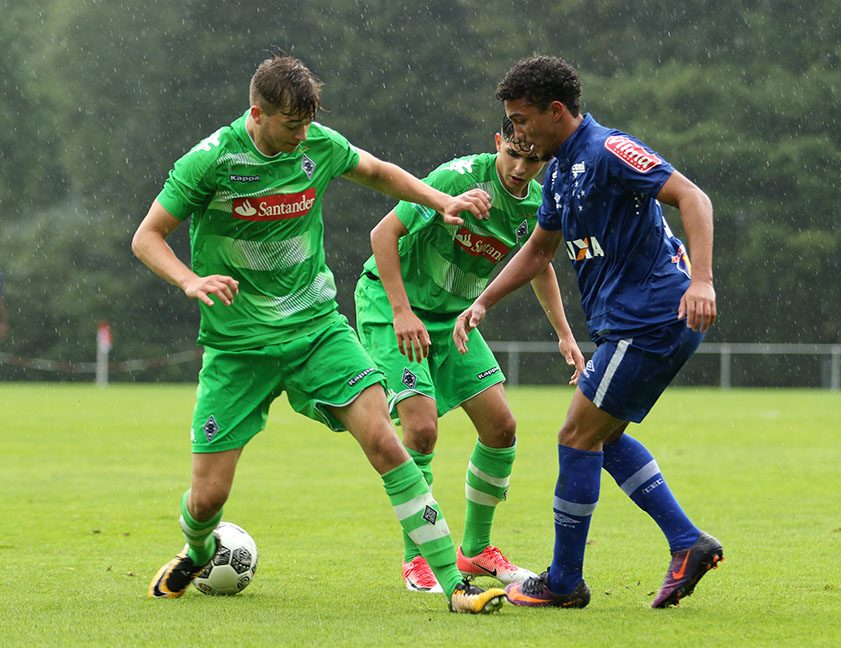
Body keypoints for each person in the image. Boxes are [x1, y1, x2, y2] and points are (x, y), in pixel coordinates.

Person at [132, 53, 507, 614]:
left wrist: (442, 200)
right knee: (208, 496)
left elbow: (378, 171)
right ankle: (197, 548)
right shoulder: (209, 161)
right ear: (256, 113)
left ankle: (456, 584)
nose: (302, 135)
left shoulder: (316, 145)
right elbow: (148, 237)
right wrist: (188, 280)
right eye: (290, 125)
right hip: (239, 347)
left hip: (316, 330)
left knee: (386, 439)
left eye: (308, 123)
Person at [453, 55, 723, 609]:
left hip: (650, 319)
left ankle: (563, 582)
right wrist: (484, 300)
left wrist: (703, 280)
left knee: (576, 435)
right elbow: (539, 249)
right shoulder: (557, 172)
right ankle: (687, 542)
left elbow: (693, 197)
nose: (516, 132)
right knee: (605, 436)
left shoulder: (607, 150)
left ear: (557, 111)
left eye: (522, 119)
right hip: (631, 324)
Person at [355, 117, 584, 594]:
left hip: (450, 319)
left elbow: (538, 263)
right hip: (391, 306)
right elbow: (382, 235)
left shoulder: (539, 204)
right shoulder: (457, 179)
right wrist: (401, 312)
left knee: (501, 428)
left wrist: (564, 334)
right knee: (420, 429)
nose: (521, 168)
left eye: (534, 159)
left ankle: (476, 550)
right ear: (497, 143)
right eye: (513, 155)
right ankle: (416, 559)